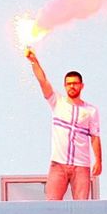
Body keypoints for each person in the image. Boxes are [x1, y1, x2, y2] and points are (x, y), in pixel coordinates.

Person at [26, 49, 101, 201]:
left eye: (75, 83)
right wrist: (34, 61)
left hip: (81, 165)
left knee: (81, 206)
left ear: (81, 85)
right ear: (65, 86)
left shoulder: (91, 110)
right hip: (58, 164)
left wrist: (98, 160)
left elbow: (95, 137)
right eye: (68, 84)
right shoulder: (57, 102)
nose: (72, 86)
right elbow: (43, 81)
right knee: (51, 204)